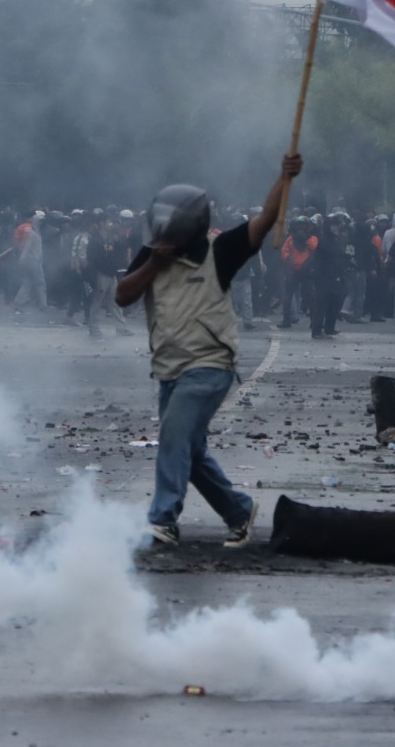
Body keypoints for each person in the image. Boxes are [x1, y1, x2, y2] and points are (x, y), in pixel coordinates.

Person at [116, 153, 303, 548]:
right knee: (189, 450)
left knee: (172, 436)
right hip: (168, 367)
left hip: (209, 364)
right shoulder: (152, 254)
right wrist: (153, 261)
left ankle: (164, 519)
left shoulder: (220, 251)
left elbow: (264, 221)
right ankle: (238, 511)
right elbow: (123, 295)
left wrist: (283, 179)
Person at [307, 212, 351, 339]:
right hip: (324, 276)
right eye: (335, 225)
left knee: (334, 302)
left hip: (334, 275)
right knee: (321, 304)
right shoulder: (325, 239)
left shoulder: (335, 239)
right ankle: (317, 330)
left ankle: (329, 327)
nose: (337, 227)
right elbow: (332, 256)